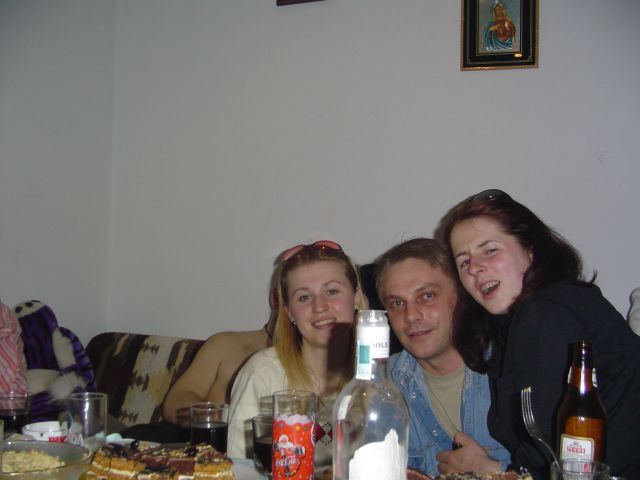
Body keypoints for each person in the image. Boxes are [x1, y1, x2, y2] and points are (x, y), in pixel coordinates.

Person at [436, 188, 640, 479]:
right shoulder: (512, 327)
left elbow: (555, 459)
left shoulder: (547, 312)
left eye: (490, 250)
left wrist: (490, 470)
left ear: (530, 249)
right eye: (464, 261)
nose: (475, 269)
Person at [374, 238, 510, 477]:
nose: (411, 315)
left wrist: (494, 472)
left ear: (461, 297)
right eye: (397, 303)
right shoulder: (382, 386)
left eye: (427, 296)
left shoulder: (512, 368)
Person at [227, 240, 366, 471]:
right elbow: (238, 469)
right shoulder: (262, 373)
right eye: (304, 297)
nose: (320, 307)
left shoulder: (382, 374)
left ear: (357, 297)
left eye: (331, 291)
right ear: (289, 312)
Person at [162, 290, 278, 427]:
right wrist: (221, 417)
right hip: (210, 436)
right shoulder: (225, 344)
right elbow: (174, 403)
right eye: (299, 297)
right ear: (274, 298)